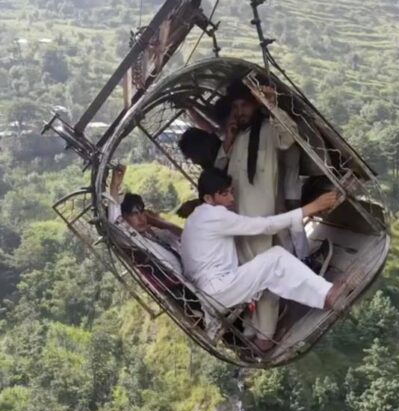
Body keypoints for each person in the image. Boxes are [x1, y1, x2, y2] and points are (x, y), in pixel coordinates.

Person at [181, 169, 345, 351]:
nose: (231, 199)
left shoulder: (195, 219)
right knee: (276, 258)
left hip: (211, 291)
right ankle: (326, 295)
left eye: (231, 192)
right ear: (208, 199)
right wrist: (309, 208)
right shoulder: (213, 216)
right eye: (224, 194)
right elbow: (265, 226)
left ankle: (311, 294)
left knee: (267, 266)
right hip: (218, 289)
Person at [214, 80, 312, 341]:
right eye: (235, 107)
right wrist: (229, 139)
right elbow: (218, 169)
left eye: (244, 105)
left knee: (267, 277)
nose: (239, 112)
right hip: (238, 222)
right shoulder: (237, 136)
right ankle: (250, 327)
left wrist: (273, 104)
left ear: (256, 104)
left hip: (264, 220)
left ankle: (265, 334)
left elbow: (289, 137)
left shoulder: (269, 129)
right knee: (245, 276)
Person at [107, 164, 184, 275]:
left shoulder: (157, 234)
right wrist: (114, 187)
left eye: (142, 212)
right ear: (124, 218)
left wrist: (161, 223)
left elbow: (182, 235)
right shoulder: (133, 241)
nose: (140, 218)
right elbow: (115, 222)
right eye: (134, 214)